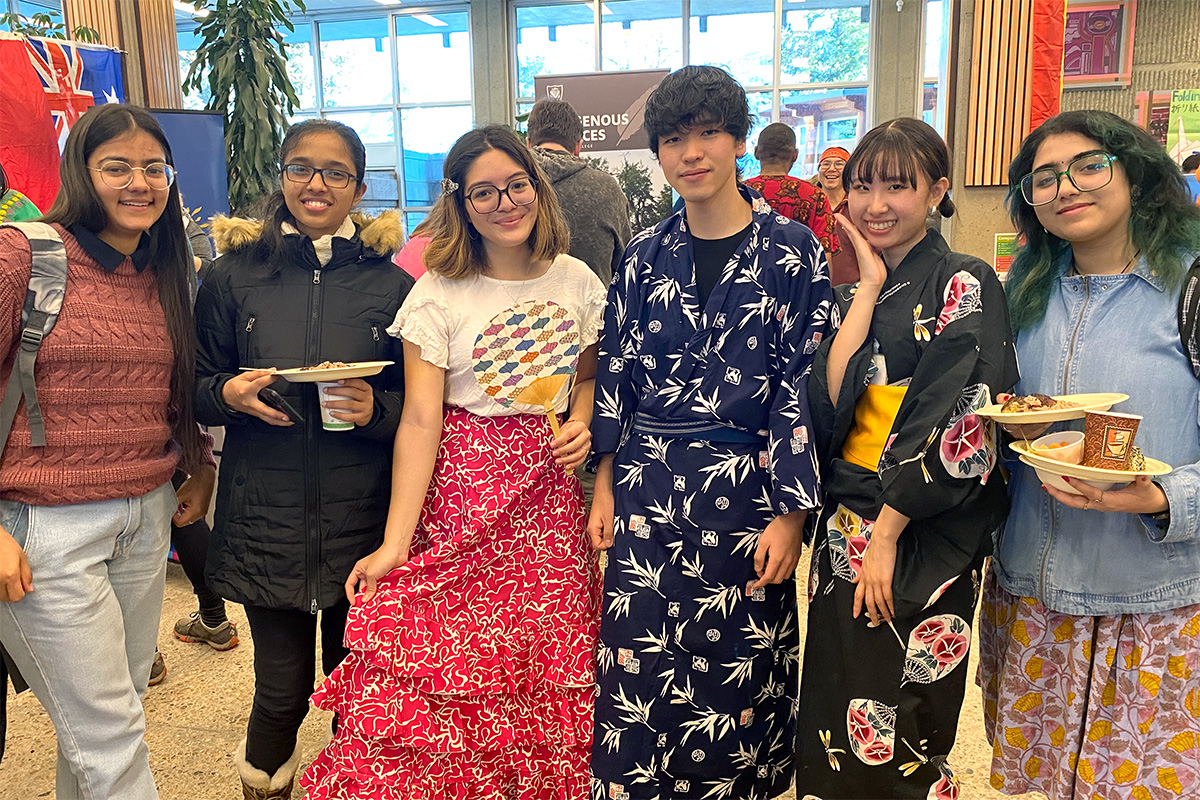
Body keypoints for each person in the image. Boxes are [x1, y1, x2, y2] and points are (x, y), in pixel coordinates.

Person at [300, 124, 603, 800]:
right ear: (462, 205)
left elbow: (586, 379)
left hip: (548, 511)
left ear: (538, 187)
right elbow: (418, 419)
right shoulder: (439, 290)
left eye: (516, 185)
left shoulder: (577, 281)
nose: (504, 203)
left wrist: (582, 423)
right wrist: (394, 545)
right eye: (483, 193)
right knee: (446, 662)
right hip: (463, 499)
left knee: (541, 665)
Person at [588, 65, 831, 799]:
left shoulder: (792, 249)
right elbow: (616, 375)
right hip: (645, 486)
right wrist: (601, 483)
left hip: (746, 495)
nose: (691, 153)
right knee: (639, 662)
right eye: (673, 140)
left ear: (738, 142)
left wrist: (792, 515)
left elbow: (801, 385)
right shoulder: (639, 257)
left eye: (708, 134)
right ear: (657, 154)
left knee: (737, 668)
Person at [980, 110, 1200, 800]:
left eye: (1088, 166)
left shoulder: (1190, 290)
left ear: (1136, 173)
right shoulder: (1021, 297)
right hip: (1033, 596)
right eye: (1043, 178)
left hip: (1152, 602)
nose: (1065, 187)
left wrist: (1165, 496)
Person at [795, 117, 1017, 800]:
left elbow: (961, 415)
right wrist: (864, 286)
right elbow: (830, 403)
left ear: (938, 190)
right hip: (847, 527)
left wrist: (888, 532)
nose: (877, 204)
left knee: (907, 718)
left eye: (898, 186)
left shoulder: (965, 280)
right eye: (863, 186)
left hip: (921, 529)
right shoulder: (857, 292)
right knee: (836, 699)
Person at [193, 118, 413, 799]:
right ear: (281, 176)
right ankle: (266, 784)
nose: (317, 184)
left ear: (359, 187)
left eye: (336, 173)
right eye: (302, 168)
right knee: (281, 694)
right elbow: (196, 388)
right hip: (269, 522)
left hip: (363, 524)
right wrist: (226, 393)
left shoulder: (391, 285)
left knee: (359, 693)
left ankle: (355, 786)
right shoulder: (233, 276)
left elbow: (421, 410)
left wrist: (375, 410)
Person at [0, 102, 208, 799]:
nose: (139, 182)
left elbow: (171, 386)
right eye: (117, 166)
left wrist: (199, 464)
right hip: (44, 529)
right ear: (82, 173)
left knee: (100, 728)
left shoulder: (158, 270)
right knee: (110, 735)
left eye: (154, 168)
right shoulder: (22, 254)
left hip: (145, 518)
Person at [527, 97, 632, 285]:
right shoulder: (607, 189)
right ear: (578, 147)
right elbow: (626, 266)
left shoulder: (508, 190)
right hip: (594, 311)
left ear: (528, 144)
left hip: (522, 312)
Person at [745, 122, 839, 255]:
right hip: (798, 274)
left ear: (756, 153)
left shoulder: (739, 193)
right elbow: (824, 254)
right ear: (795, 155)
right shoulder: (815, 196)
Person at [815, 145, 862, 287]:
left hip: (852, 291)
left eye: (839, 164)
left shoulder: (858, 206)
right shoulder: (808, 205)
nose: (831, 168)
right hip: (813, 290)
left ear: (849, 172)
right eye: (826, 164)